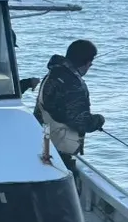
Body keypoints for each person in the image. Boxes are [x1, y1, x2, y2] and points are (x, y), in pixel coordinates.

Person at [34, 39, 105, 170]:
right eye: (90, 63)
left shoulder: (53, 74)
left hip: (44, 141)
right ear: (87, 62)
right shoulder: (72, 84)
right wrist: (99, 120)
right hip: (59, 149)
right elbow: (81, 121)